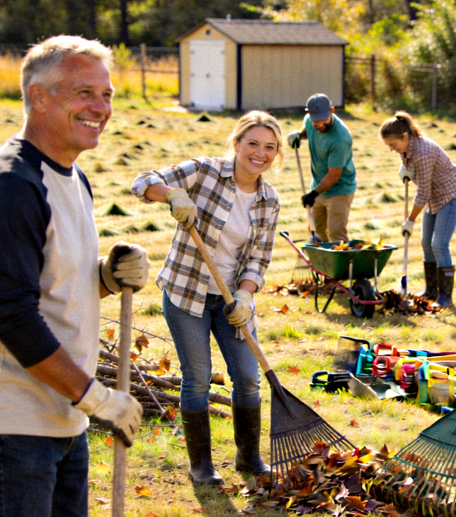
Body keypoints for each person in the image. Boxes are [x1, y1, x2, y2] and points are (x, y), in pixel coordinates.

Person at [0, 36, 148, 517]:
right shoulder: (13, 185)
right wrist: (97, 398)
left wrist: (106, 278)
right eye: (84, 93)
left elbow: (53, 287)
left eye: (107, 95)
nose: (101, 109)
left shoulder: (72, 176)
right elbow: (12, 315)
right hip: (11, 419)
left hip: (62, 415)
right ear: (39, 97)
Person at [131, 111, 282, 486]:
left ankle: (249, 459)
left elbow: (258, 259)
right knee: (197, 377)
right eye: (252, 143)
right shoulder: (206, 171)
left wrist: (245, 298)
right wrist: (173, 194)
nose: (259, 153)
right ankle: (201, 466)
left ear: (277, 153)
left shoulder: (268, 200)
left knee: (248, 377)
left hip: (231, 300)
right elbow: (142, 181)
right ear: (236, 143)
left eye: (269, 147)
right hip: (188, 292)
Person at [380, 111, 456, 308]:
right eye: (388, 146)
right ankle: (431, 291)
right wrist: (405, 170)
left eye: (393, 144)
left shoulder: (424, 152)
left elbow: (423, 192)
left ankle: (445, 297)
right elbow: (423, 187)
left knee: (439, 244)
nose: (392, 149)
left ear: (405, 137)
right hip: (433, 198)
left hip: (450, 196)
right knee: (426, 242)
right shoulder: (407, 148)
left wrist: (410, 220)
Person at [286, 93, 356, 242]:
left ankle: (342, 265)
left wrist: (313, 194)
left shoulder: (340, 139)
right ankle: (321, 264)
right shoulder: (309, 121)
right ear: (309, 114)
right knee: (317, 231)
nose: (320, 125)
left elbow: (333, 176)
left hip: (339, 190)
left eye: (324, 120)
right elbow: (307, 130)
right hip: (318, 186)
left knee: (336, 233)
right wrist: (298, 135)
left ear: (332, 110)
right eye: (315, 122)